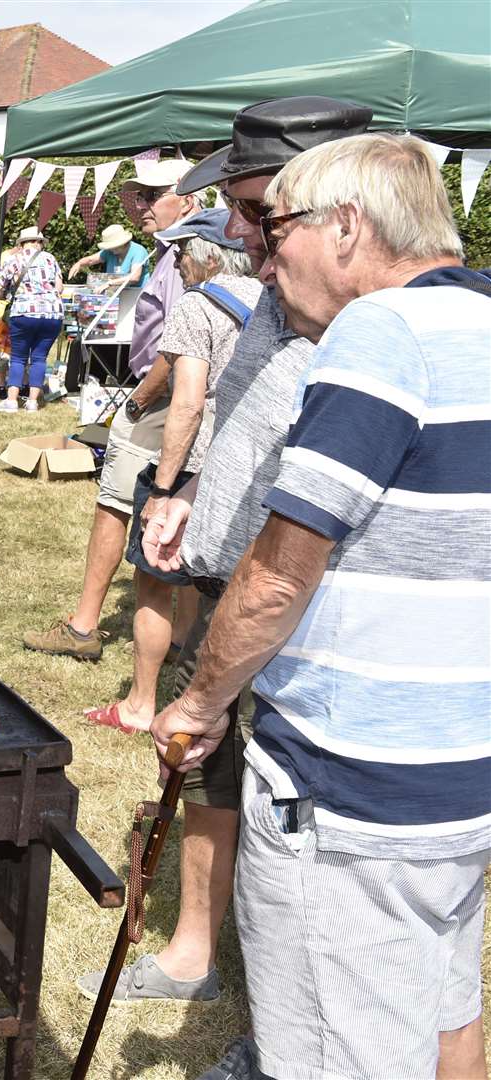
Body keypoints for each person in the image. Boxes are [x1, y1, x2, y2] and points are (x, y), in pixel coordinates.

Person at [152, 132, 490, 1080]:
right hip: (460, 772)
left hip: (352, 785)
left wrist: (199, 702)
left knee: (337, 1052)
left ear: (345, 226)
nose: (266, 250)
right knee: (439, 1015)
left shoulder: (378, 333)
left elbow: (276, 571)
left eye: (278, 224)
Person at [77, 100, 371, 1074]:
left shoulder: (371, 334)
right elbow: (241, 424)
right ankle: (200, 951)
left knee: (324, 858)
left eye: (255, 211)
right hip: (237, 589)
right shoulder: (272, 296)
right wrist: (189, 496)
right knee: (210, 770)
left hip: (313, 630)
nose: (238, 233)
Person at [85, 207, 258, 735]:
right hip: (247, 469)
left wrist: (163, 487)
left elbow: (186, 404)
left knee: (155, 582)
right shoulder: (270, 299)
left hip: (195, 468)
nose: (176, 261)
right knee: (224, 591)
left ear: (207, 256)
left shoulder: (197, 304)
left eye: (182, 252)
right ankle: (214, 704)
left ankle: (140, 703)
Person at [21, 159, 202, 660]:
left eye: (151, 195)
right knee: (181, 510)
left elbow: (185, 343)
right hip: (173, 395)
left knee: (116, 503)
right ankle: (183, 638)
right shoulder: (176, 252)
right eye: (136, 195)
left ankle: (83, 628)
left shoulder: (185, 255)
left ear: (186, 200)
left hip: (164, 397)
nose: (140, 204)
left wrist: (142, 399)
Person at [0, 225, 63, 413]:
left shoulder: (13, 260)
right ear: (40, 243)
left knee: (18, 358)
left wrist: (7, 293)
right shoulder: (51, 259)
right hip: (52, 313)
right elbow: (59, 288)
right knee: (40, 358)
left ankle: (12, 401)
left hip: (23, 312)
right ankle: (32, 402)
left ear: (22, 243)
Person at [69, 222, 151, 287]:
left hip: (137, 295)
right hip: (115, 295)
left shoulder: (138, 251)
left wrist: (110, 283)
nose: (110, 249)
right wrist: (79, 264)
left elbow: (134, 277)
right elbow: (90, 260)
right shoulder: (109, 252)